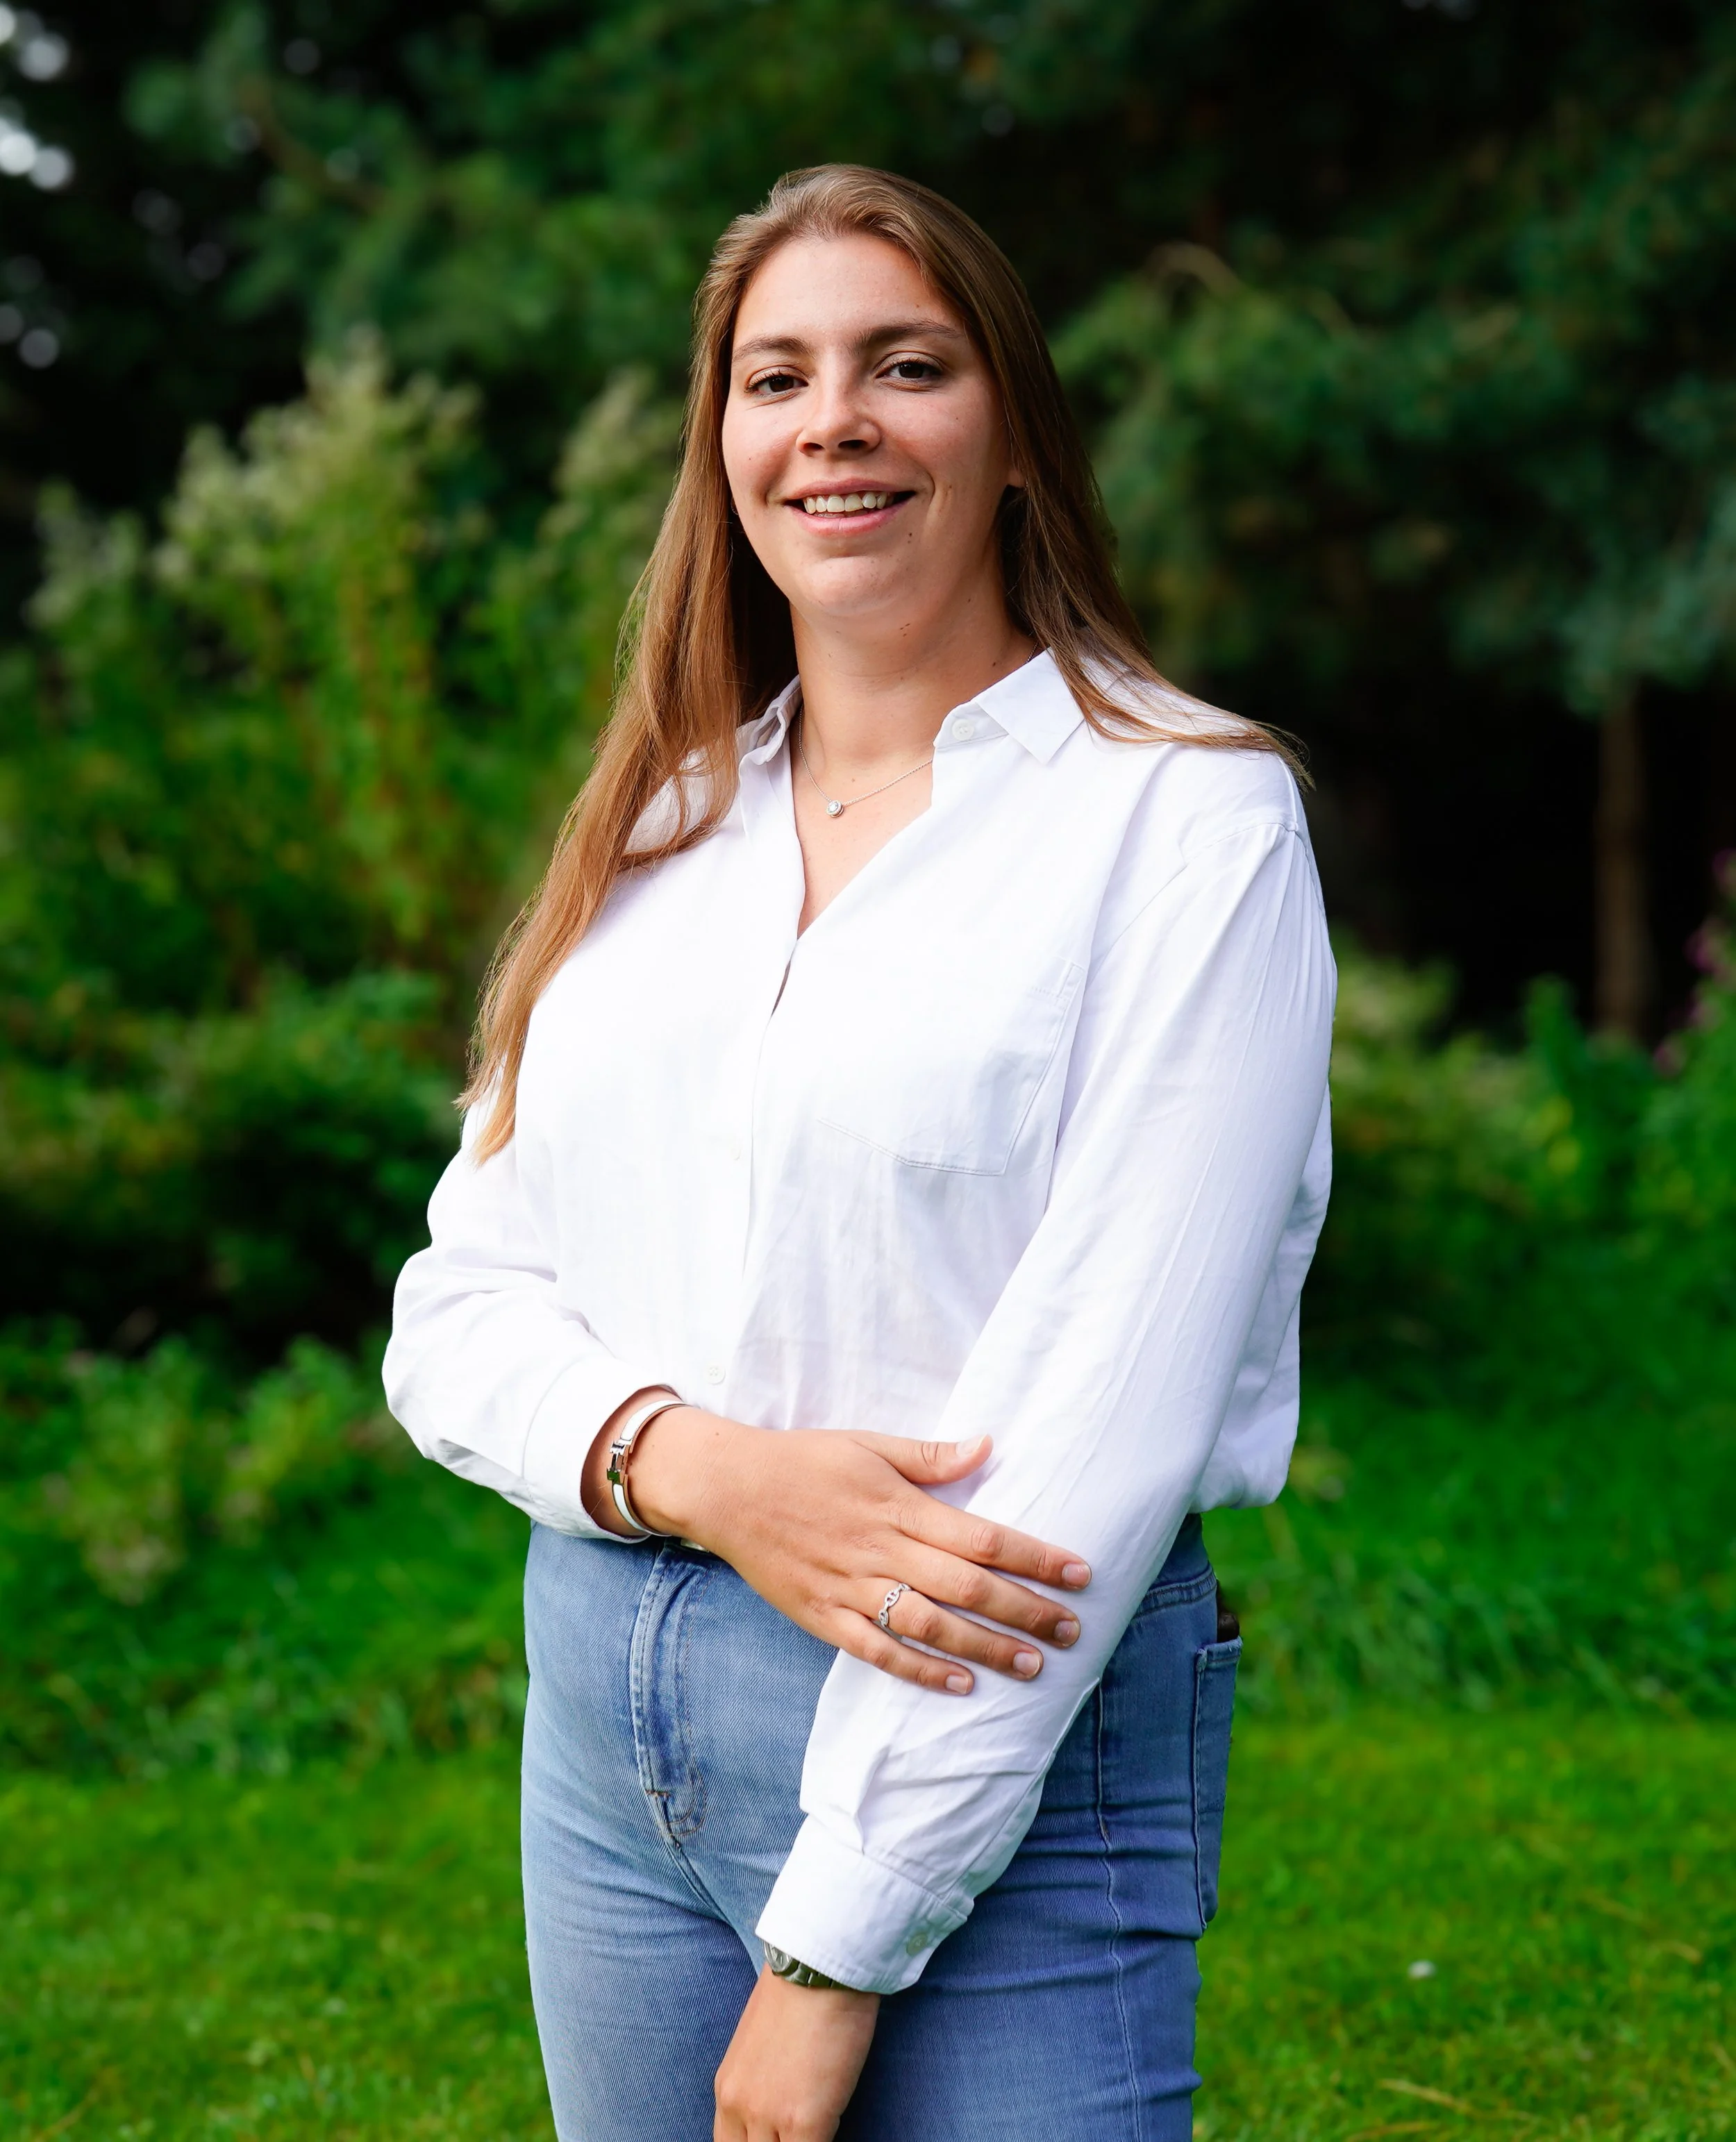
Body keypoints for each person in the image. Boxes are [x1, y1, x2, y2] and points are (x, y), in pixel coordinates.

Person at [384, 163, 1334, 2142]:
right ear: (719, 442)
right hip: (606, 1711)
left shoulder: (1186, 824)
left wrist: (833, 1949)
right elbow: (459, 1303)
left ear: (1006, 439)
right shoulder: (658, 834)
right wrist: (692, 1463)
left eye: (905, 365)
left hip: (997, 1741)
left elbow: (1099, 1428)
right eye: (774, 375)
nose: (834, 420)